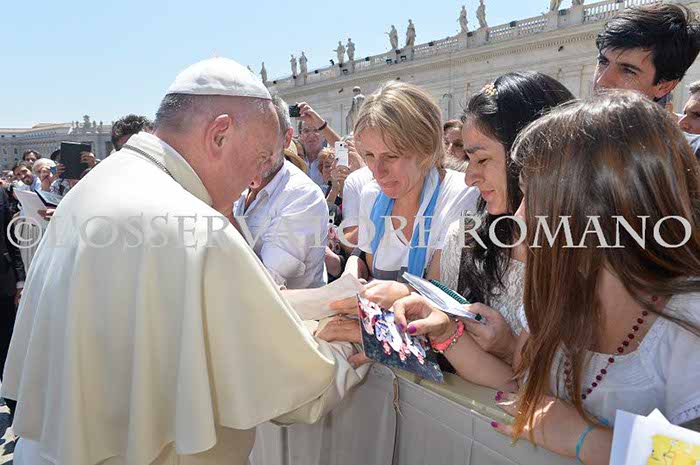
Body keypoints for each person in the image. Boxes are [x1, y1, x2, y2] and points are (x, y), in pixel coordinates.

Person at [2, 58, 367, 465]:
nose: (254, 179)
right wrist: (354, 344)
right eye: (261, 158)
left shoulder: (95, 186)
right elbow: (291, 388)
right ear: (219, 134)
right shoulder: (196, 228)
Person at [395, 91, 700, 464]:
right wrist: (446, 333)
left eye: (533, 198)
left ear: (598, 212)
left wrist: (585, 439)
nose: (517, 217)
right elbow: (519, 386)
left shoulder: (688, 322)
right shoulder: (555, 294)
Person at [348, 81, 479, 282]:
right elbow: (365, 264)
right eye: (369, 155)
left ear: (426, 148)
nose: (378, 171)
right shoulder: (371, 195)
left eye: (391, 156)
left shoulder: (462, 194)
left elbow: (438, 288)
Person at [233, 95, 328, 289]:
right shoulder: (239, 186)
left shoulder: (302, 195)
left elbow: (266, 284)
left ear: (287, 138)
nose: (255, 148)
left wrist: (224, 208)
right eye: (248, 136)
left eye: (265, 136)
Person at [593, 2, 700, 155]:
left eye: (628, 70)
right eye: (603, 62)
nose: (601, 81)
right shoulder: (565, 141)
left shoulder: (685, 156)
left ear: (664, 86)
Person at [295, 102, 340, 188]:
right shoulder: (294, 159)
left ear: (324, 136)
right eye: (306, 131)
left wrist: (322, 124)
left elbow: (346, 149)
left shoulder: (332, 159)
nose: (311, 135)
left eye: (316, 130)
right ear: (300, 135)